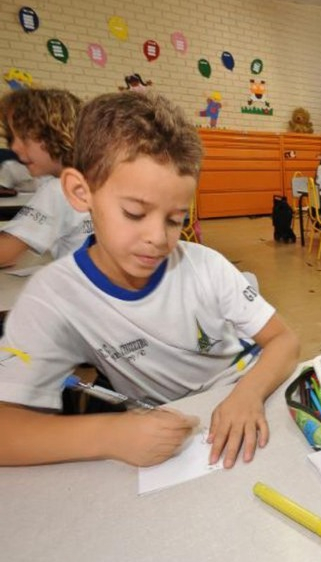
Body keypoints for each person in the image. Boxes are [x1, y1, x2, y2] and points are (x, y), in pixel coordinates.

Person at [0, 91, 300, 469]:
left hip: (251, 390)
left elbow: (284, 340)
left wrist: (247, 394)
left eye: (175, 219)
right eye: (134, 213)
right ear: (80, 192)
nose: (159, 237)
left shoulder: (205, 265)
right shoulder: (53, 296)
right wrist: (110, 434)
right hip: (178, 427)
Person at [0, 88, 92, 267]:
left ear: (57, 133)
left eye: (24, 137)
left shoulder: (59, 189)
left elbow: (5, 254)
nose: (15, 147)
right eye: (12, 138)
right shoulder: (95, 178)